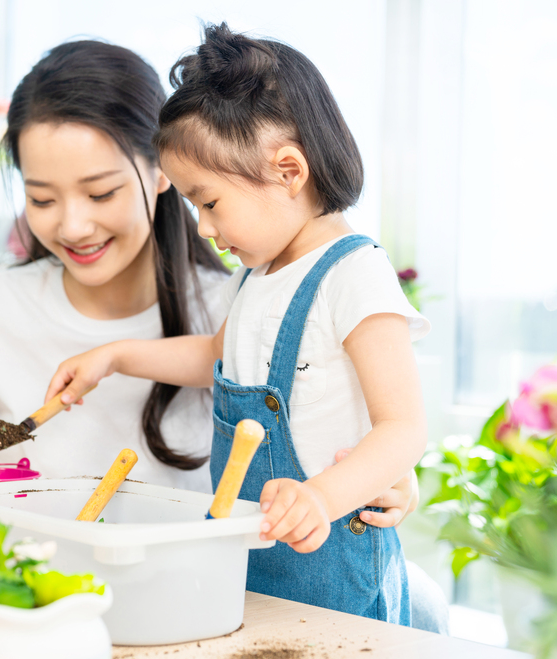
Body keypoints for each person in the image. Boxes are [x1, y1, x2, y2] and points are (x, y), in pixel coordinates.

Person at [0, 39, 421, 565]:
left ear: (162, 172)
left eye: (101, 191)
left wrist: (377, 479)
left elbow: (378, 428)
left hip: (211, 600)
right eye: (41, 199)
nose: (73, 224)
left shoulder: (249, 294)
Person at [44, 24, 430, 627]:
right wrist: (116, 356)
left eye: (210, 202)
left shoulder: (354, 274)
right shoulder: (257, 275)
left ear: (288, 171)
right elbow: (213, 359)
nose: (201, 226)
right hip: (253, 553)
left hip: (331, 558)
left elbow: (404, 428)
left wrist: (320, 498)